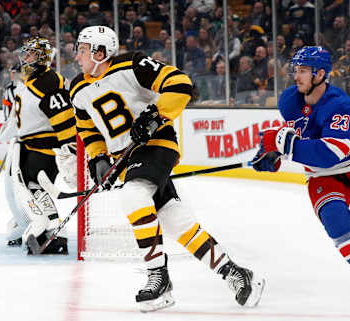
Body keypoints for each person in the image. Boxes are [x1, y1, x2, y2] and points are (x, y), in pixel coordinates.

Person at [59, 25, 265, 312]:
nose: (76, 55)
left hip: (157, 143)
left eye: (82, 49)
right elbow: (87, 128)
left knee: (132, 197)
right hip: (127, 158)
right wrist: (97, 158)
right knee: (174, 220)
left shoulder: (132, 64)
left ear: (100, 52)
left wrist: (157, 114)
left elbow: (181, 83)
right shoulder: (77, 88)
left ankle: (158, 276)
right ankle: (235, 273)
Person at [252, 46, 350, 301]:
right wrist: (269, 153)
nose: (297, 76)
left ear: (320, 74)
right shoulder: (289, 100)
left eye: (304, 71)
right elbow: (290, 135)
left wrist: (287, 146)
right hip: (323, 176)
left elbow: (333, 152)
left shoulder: (339, 104)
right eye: (296, 70)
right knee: (335, 221)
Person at [0, 36, 77, 254]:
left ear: (41, 57)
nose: (25, 57)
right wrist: (14, 127)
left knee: (35, 187)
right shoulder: (32, 80)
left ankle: (54, 231)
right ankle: (46, 228)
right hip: (30, 146)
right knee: (31, 189)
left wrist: (70, 148)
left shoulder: (48, 81)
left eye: (30, 53)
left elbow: (63, 117)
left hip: (44, 149)